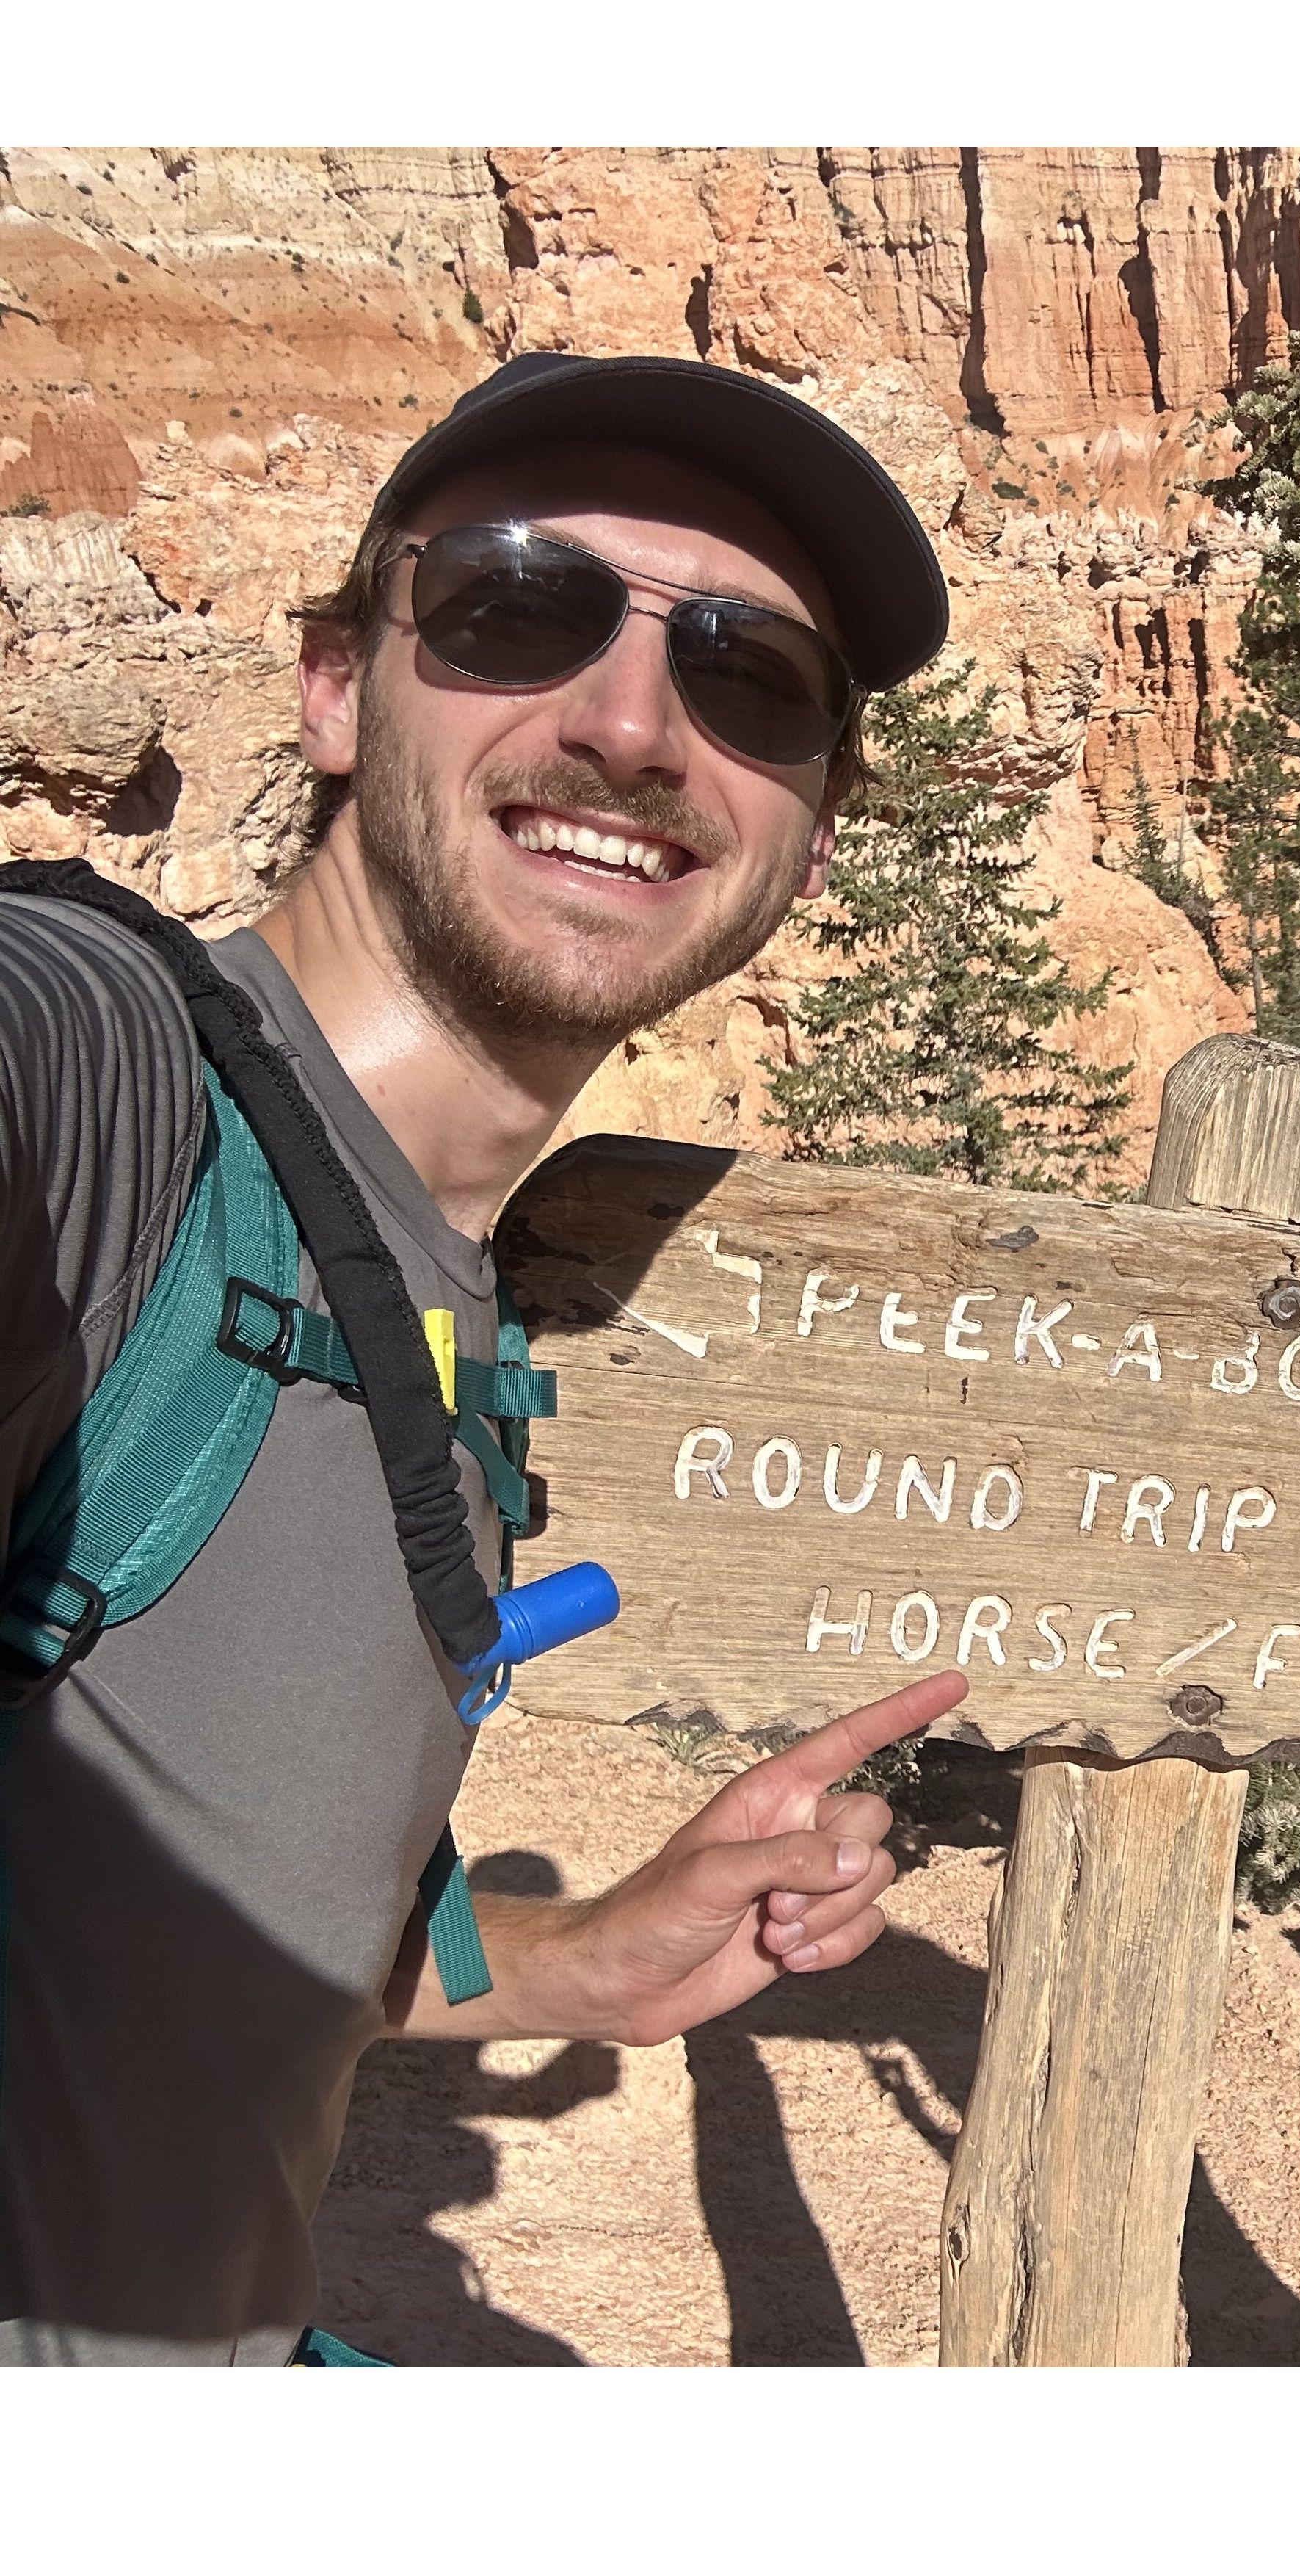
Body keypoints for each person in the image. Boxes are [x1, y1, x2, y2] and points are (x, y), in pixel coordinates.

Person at [1, 353, 970, 2364]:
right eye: (519, 607)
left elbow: (178, 1931)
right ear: (339, 684)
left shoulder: (460, 1308)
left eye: (750, 678)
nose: (632, 723)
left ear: (808, 835)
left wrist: (576, 1967)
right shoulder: (109, 1089)